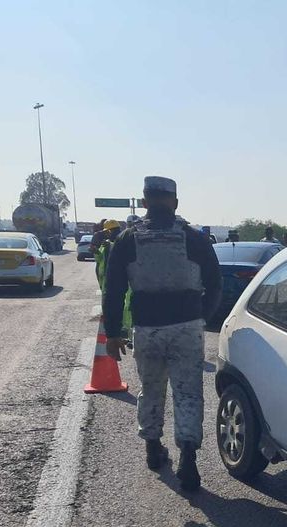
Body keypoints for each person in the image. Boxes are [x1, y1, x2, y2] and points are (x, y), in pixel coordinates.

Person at [103, 176, 221, 491]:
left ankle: (153, 449)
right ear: (176, 203)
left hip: (147, 329)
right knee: (188, 392)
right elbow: (215, 284)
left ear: (144, 202)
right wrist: (201, 317)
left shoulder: (128, 239)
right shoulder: (194, 239)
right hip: (186, 328)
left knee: (151, 388)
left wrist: (113, 334)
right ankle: (188, 460)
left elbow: (113, 291)